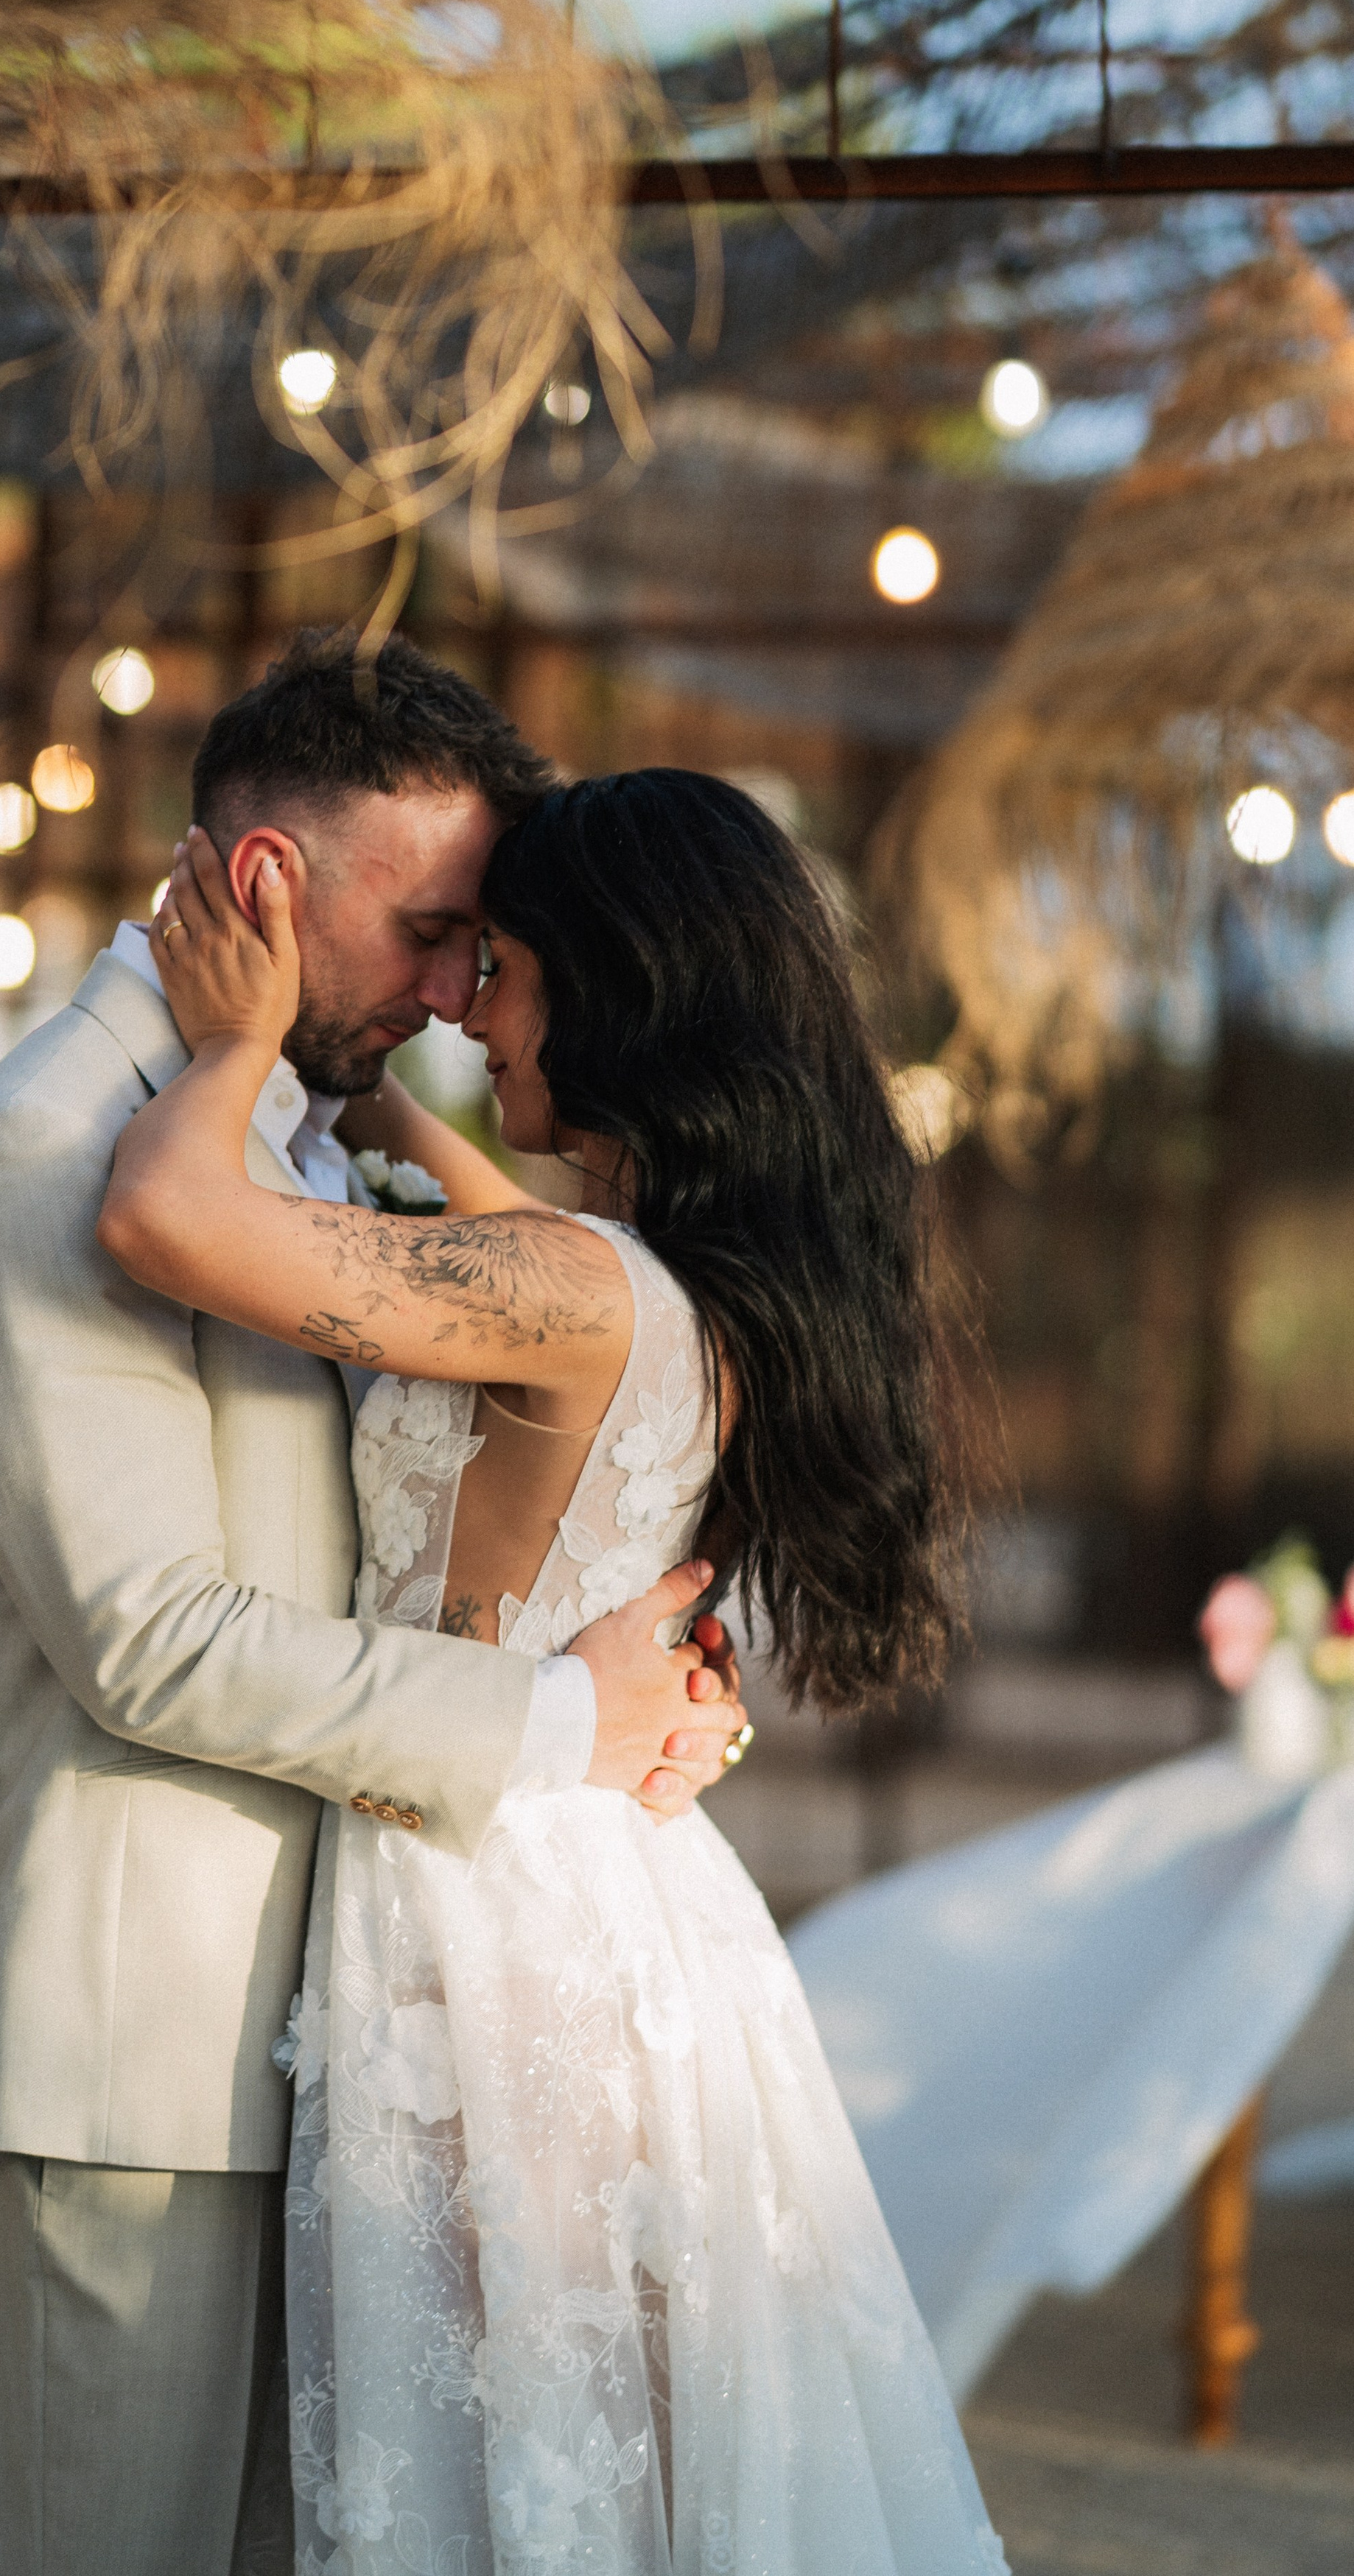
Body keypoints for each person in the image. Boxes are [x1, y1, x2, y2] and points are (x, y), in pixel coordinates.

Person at [0, 636, 748, 2576]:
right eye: (433, 929)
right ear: (267, 887)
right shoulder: (44, 1165)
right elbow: (153, 1640)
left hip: (340, 2044)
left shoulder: (294, 1135)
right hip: (135, 2066)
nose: (460, 991)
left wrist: (623, 1638)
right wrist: (560, 1729)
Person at [100, 764, 1009, 2573]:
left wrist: (235, 1047)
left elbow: (163, 1222)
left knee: (521, 2469)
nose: (463, 1009)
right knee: (596, 2461)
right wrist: (381, 1123)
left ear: (617, 994)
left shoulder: (567, 1289)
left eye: (498, 969)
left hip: (491, 1916)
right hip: (607, 1888)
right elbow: (484, 1245)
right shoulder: (680, 1274)